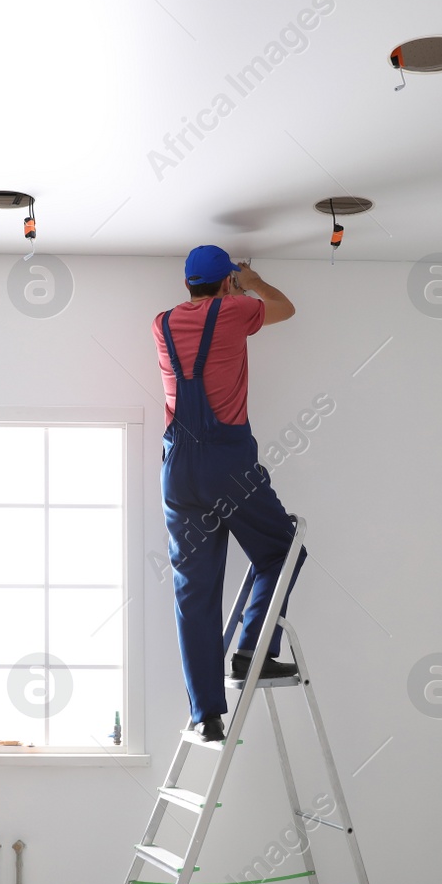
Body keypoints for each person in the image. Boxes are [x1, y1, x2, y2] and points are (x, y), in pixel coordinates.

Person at [154, 246, 307, 744]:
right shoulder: (237, 309)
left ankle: (206, 715)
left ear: (187, 286)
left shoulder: (162, 323)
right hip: (228, 463)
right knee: (282, 550)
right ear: (226, 283)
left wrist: (226, 287)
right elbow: (286, 309)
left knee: (194, 593)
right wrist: (253, 281)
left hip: (178, 472)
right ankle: (252, 653)